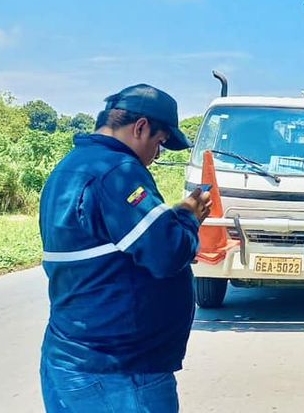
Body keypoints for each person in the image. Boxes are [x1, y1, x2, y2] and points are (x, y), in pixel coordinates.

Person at [38, 84, 212, 413]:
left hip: (72, 359)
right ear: (141, 127)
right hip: (118, 371)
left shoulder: (70, 167)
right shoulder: (118, 171)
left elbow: (128, 239)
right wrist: (189, 217)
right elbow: (166, 254)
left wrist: (172, 218)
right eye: (159, 143)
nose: (156, 156)